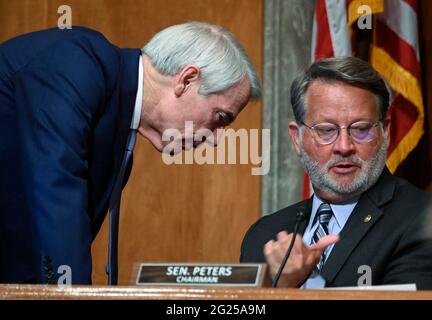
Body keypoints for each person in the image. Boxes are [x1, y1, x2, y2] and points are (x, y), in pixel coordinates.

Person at [0, 22, 261, 284]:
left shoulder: (118, 116)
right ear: (187, 80)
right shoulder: (75, 61)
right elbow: (55, 189)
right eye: (221, 118)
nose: (216, 139)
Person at [241, 57, 432, 290]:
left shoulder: (423, 220)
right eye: (326, 130)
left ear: (386, 131)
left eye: (361, 129)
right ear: (297, 139)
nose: (344, 146)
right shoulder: (263, 236)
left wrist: (295, 287)